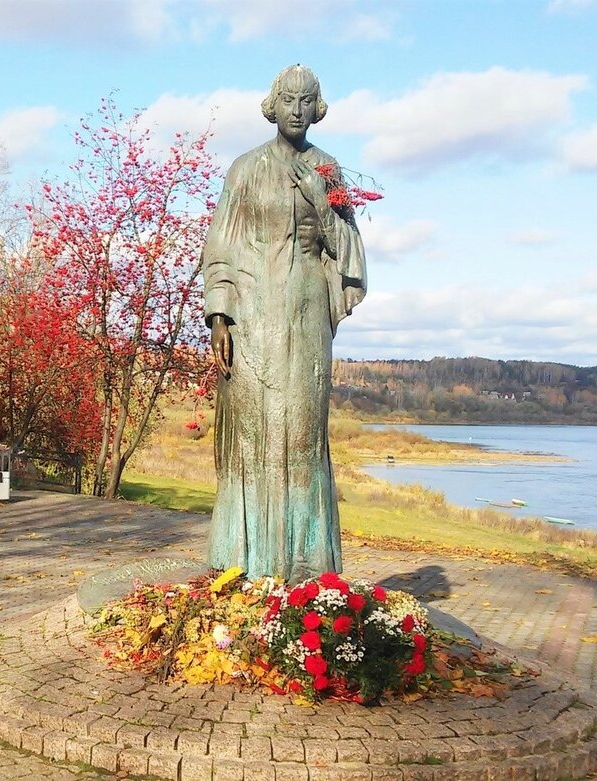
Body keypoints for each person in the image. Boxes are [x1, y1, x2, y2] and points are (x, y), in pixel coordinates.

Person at [203, 64, 367, 581]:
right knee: (251, 435)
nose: (297, 110)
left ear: (317, 108)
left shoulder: (327, 170)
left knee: (301, 434)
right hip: (251, 317)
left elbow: (349, 252)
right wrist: (219, 315)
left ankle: (306, 569)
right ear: (273, 104)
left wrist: (322, 202)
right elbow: (221, 245)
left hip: (304, 314)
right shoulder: (245, 168)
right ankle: (242, 563)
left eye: (306, 100)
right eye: (288, 100)